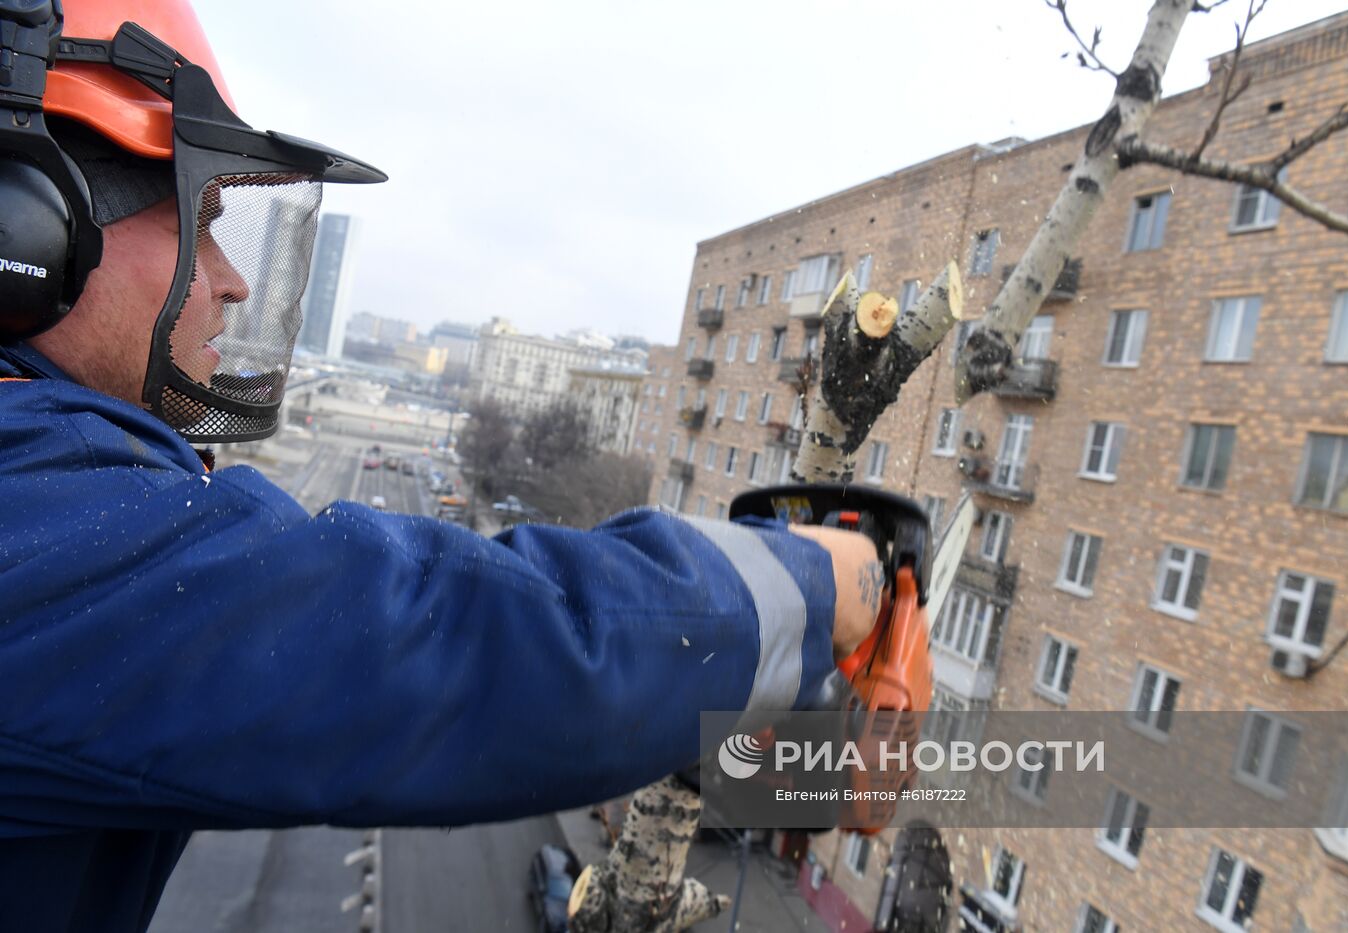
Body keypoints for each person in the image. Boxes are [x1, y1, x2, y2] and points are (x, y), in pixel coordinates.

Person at [0, 3, 879, 931]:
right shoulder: (33, 528)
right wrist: (812, 585)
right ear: (26, 225)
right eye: (201, 219)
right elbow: (431, 642)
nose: (233, 279)